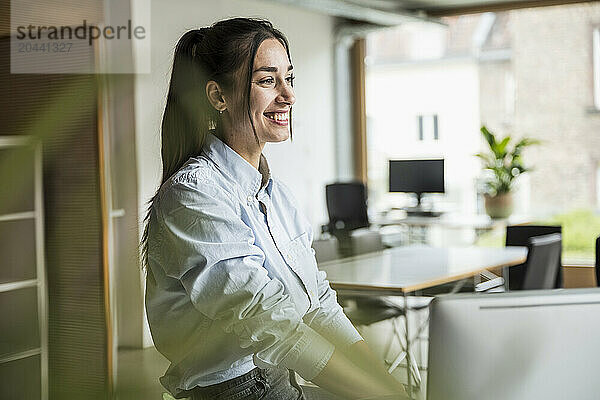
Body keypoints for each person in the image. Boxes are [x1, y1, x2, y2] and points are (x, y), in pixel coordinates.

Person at [141, 17, 408, 400]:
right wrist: (378, 394)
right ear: (217, 97)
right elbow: (271, 324)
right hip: (233, 390)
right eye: (268, 80)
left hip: (278, 376)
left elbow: (317, 304)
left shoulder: (275, 194)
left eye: (289, 78)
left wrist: (386, 383)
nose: (288, 95)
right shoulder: (194, 195)